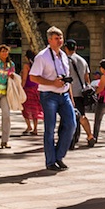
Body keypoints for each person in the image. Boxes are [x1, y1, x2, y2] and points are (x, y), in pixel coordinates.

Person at [30, 28, 78, 170]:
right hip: (48, 95)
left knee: (71, 124)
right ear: (49, 40)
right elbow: (33, 77)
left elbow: (66, 78)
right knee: (49, 129)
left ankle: (59, 156)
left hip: (64, 95)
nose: (60, 40)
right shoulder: (42, 56)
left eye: (61, 37)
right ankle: (50, 161)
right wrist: (52, 83)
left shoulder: (63, 55)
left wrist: (70, 96)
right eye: (56, 38)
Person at [63, 39, 96, 148]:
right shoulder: (83, 60)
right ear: (76, 48)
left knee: (70, 116)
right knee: (81, 115)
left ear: (66, 48)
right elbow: (87, 78)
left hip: (71, 92)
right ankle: (89, 135)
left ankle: (71, 139)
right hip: (81, 92)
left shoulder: (66, 60)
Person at [20, 50, 42, 136]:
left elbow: (24, 79)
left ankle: (29, 126)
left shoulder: (27, 66)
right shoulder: (38, 66)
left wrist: (21, 88)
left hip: (28, 89)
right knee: (35, 109)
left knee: (25, 107)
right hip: (36, 88)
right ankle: (35, 128)